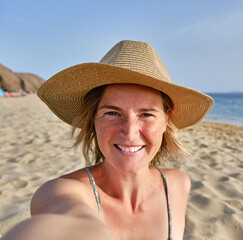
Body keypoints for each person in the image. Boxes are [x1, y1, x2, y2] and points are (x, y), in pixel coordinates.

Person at [3, 40, 214, 240]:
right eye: (112, 113)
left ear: (166, 119)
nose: (130, 133)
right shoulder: (61, 192)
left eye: (146, 114)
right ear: (92, 118)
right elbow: (66, 224)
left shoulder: (178, 185)